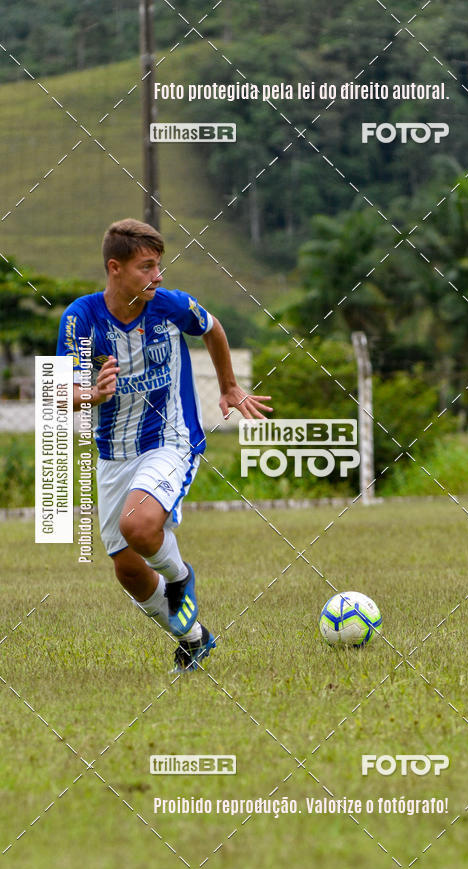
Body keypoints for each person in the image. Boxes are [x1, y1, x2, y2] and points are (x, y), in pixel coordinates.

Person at [56, 218, 271, 672]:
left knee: (140, 526)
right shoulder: (81, 317)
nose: (157, 277)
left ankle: (179, 577)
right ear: (115, 269)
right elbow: (58, 392)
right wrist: (90, 394)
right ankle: (194, 639)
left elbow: (213, 328)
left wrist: (230, 387)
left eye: (159, 266)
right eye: (146, 267)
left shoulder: (171, 306)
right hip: (114, 453)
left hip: (171, 439)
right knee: (127, 568)